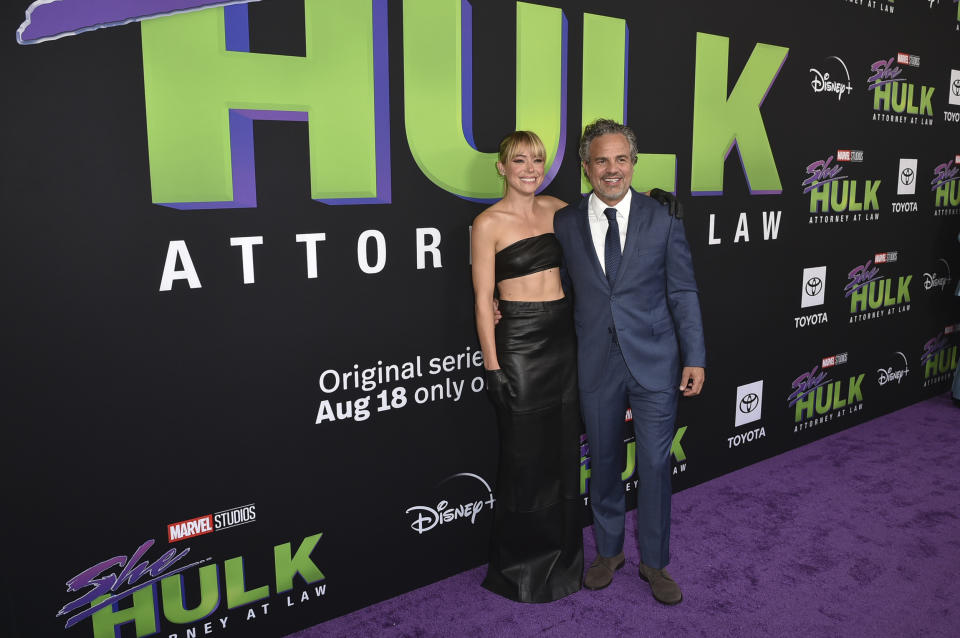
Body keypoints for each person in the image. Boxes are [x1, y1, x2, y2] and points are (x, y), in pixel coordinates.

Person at [553, 119, 706, 605]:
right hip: (596, 362)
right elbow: (555, 289)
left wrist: (695, 355)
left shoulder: (663, 218)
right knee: (602, 461)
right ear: (586, 167)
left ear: (634, 164)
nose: (612, 169)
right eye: (601, 160)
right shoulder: (565, 223)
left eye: (621, 159)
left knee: (657, 464)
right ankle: (609, 553)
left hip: (656, 361)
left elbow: (682, 290)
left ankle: (655, 563)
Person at [470, 131, 583, 602]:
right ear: (501, 167)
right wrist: (493, 367)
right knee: (523, 461)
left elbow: (607, 226)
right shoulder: (487, 223)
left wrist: (653, 209)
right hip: (517, 344)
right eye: (520, 160)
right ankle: (520, 570)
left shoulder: (559, 209)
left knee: (561, 453)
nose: (531, 168)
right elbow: (481, 300)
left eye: (537, 160)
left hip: (562, 340)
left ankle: (565, 559)